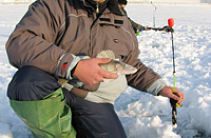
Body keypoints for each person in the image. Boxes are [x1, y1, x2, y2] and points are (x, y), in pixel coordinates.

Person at [5, 0, 184, 137]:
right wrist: (73, 66)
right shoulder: (54, 5)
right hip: (56, 88)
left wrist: (161, 87)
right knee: (28, 81)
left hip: (95, 100)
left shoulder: (122, 19)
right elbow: (20, 42)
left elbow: (131, 64)